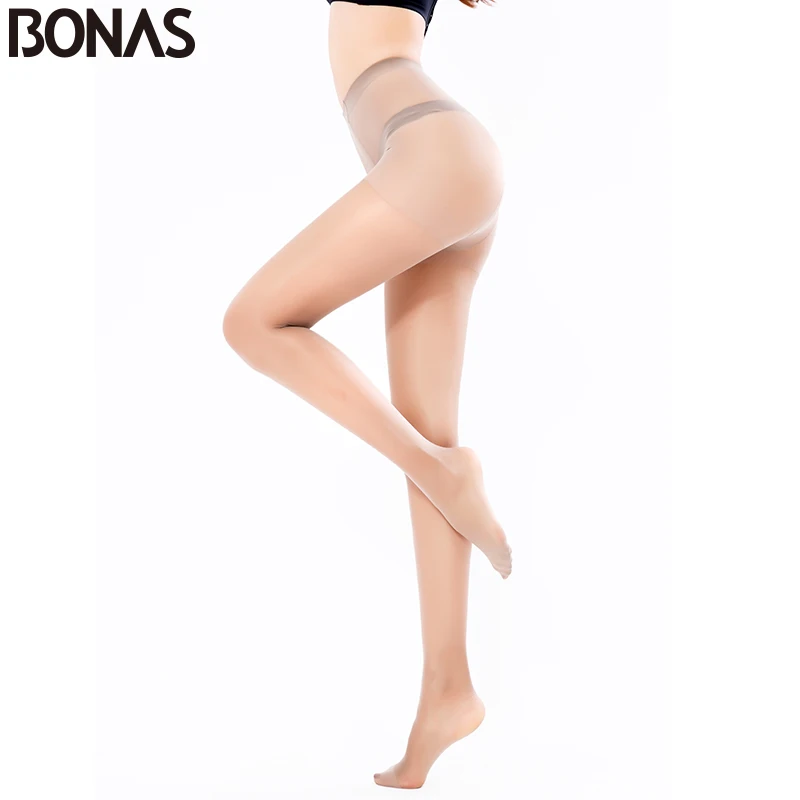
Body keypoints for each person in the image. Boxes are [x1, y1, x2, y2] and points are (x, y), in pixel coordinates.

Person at [222, 0, 511, 789]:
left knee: (253, 321)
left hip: (432, 153)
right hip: (433, 160)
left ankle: (444, 468)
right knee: (425, 432)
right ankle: (447, 686)